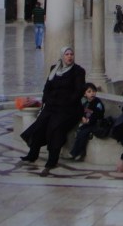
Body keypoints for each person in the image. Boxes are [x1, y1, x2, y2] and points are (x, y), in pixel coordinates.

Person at [20, 46, 86, 176]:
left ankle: (52, 159)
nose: (69, 57)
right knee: (40, 124)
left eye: (71, 54)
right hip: (52, 106)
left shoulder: (78, 71)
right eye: (66, 54)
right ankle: (32, 154)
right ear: (62, 56)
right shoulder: (54, 69)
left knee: (55, 127)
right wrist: (47, 100)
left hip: (69, 108)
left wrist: (64, 102)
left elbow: (78, 92)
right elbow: (47, 87)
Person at [68, 83, 105, 161]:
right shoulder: (85, 102)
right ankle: (75, 152)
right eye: (89, 91)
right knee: (79, 131)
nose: (92, 93)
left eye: (93, 91)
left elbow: (98, 114)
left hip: (96, 124)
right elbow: (80, 111)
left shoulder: (97, 103)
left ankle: (80, 153)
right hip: (87, 124)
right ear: (85, 94)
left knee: (82, 133)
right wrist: (82, 118)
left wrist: (89, 120)